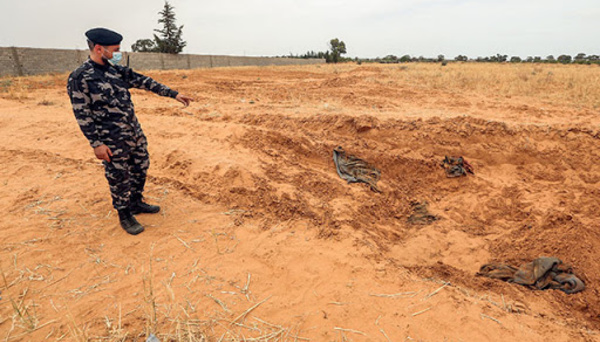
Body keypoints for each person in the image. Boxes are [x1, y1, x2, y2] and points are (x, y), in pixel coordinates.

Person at [67, 27, 193, 235]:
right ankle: (124, 213)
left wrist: (174, 94)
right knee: (118, 175)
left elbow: (144, 81)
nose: (119, 53)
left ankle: (135, 201)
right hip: (110, 139)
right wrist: (96, 143)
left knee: (141, 165)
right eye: (115, 49)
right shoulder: (80, 78)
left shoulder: (115, 70)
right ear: (99, 49)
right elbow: (82, 114)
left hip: (133, 132)